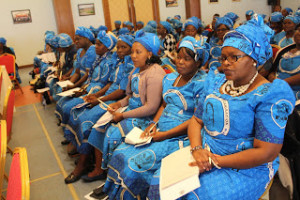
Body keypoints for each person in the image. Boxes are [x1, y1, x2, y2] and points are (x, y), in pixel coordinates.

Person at [147, 16, 296, 200]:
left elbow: (266, 152)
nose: (226, 62)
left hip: (244, 167)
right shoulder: (215, 83)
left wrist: (216, 160)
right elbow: (196, 120)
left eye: (235, 57)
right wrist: (197, 149)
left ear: (254, 59)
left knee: (196, 196)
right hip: (205, 151)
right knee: (161, 181)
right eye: (224, 57)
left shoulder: (269, 95)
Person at [97, 36, 209, 200]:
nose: (180, 62)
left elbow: (196, 120)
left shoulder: (201, 83)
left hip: (179, 136)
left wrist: (164, 135)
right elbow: (164, 105)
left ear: (198, 63)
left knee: (133, 164)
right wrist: (153, 123)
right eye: (178, 57)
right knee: (120, 153)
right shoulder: (171, 78)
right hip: (159, 129)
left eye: (187, 59)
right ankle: (114, 193)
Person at [87, 30, 166, 185]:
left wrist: (123, 115)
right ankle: (104, 170)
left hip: (144, 117)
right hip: (131, 111)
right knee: (101, 127)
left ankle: (112, 176)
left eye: (138, 52)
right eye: (133, 52)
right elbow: (130, 96)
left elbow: (150, 107)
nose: (133, 56)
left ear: (150, 54)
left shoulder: (155, 73)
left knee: (112, 134)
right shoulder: (137, 69)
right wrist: (119, 104)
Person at [64, 35, 134, 183]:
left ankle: (82, 165)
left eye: (124, 47)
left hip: (116, 101)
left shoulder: (130, 66)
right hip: (108, 96)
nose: (120, 50)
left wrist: (100, 99)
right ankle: (85, 154)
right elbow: (110, 84)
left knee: (87, 122)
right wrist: (96, 95)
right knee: (80, 113)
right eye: (119, 47)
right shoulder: (119, 62)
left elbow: (121, 92)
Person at [269, 26, 300, 101]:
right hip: (276, 86)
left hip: (295, 92)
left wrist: (280, 82)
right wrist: (271, 76)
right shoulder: (283, 51)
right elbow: (273, 71)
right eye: (299, 30)